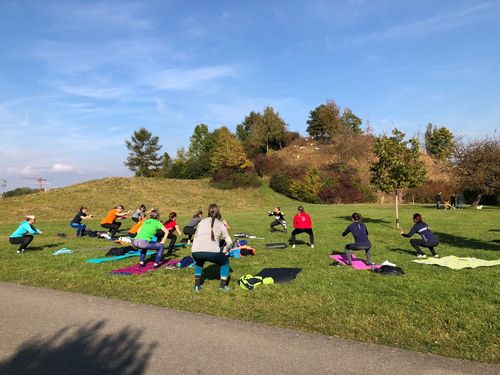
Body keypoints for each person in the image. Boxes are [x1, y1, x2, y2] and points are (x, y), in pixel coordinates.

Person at [191, 204, 233, 292]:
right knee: (225, 261)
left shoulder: (201, 222)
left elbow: (196, 237)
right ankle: (222, 287)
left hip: (195, 252)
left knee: (199, 263)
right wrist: (226, 250)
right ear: (218, 213)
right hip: (212, 252)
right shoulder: (220, 223)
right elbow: (229, 242)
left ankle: (196, 286)